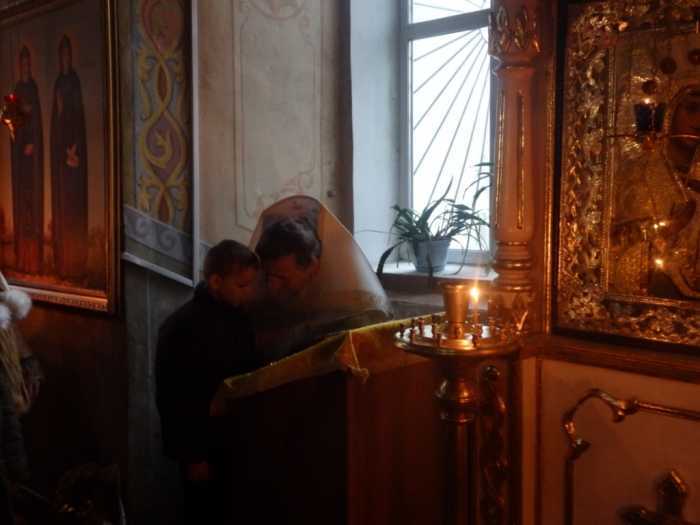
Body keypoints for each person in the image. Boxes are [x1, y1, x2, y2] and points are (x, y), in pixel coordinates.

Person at [155, 240, 260, 524]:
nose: (249, 293)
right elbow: (173, 398)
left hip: (237, 443)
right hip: (203, 448)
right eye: (242, 285)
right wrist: (193, 457)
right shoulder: (181, 327)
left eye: (251, 285)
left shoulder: (240, 318)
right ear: (215, 281)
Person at [251, 196, 392, 361]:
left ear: (312, 266)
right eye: (267, 276)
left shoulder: (355, 310)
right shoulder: (259, 300)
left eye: (281, 278)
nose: (271, 286)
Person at [612, 85, 700, 299]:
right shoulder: (637, 174)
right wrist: (668, 229)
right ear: (671, 111)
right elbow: (614, 246)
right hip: (650, 294)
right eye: (692, 108)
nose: (698, 121)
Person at [50, 35, 88, 282]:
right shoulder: (57, 83)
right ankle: (63, 266)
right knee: (63, 213)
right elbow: (57, 121)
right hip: (62, 161)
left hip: (75, 160)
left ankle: (76, 266)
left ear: (70, 56)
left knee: (74, 211)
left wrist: (74, 150)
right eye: (61, 54)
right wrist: (62, 151)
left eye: (68, 54)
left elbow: (77, 119)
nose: (65, 58)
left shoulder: (74, 81)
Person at [10, 46, 44, 276]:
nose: (26, 67)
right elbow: (12, 122)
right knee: (22, 206)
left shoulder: (33, 88)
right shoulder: (17, 90)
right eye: (22, 64)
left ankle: (34, 263)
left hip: (32, 163)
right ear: (19, 66)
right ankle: (22, 261)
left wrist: (32, 142)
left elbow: (37, 122)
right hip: (20, 160)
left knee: (33, 204)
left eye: (28, 63)